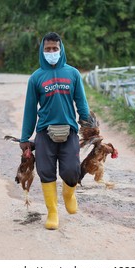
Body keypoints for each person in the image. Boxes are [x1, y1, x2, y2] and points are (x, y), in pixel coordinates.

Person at [19, 32, 89, 230]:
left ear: (61, 49)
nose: (51, 52)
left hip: (69, 132)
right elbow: (30, 109)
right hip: (44, 133)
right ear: (42, 51)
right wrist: (25, 137)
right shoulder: (36, 78)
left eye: (54, 49)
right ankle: (52, 212)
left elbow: (81, 103)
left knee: (71, 171)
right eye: (47, 49)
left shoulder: (73, 74)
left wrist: (88, 124)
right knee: (46, 172)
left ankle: (69, 194)